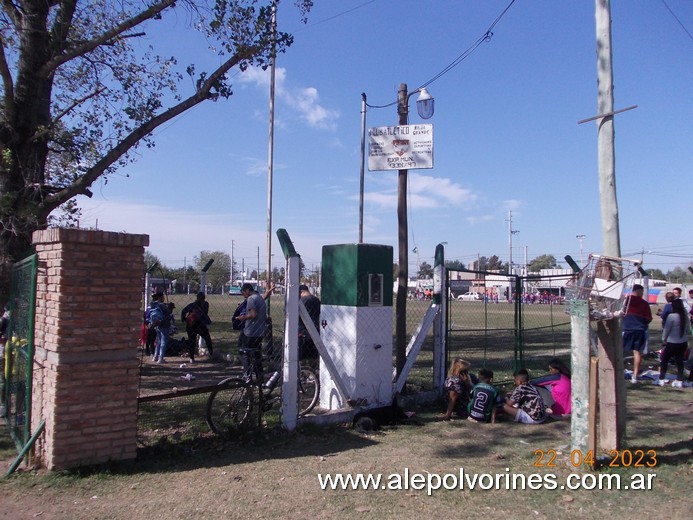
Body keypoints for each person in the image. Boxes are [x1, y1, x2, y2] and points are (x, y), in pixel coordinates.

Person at [622, 284, 652, 384]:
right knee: (637, 353)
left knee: (620, 351)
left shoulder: (625, 300)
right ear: (638, 291)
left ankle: (620, 371)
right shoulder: (644, 303)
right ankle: (635, 376)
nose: (643, 294)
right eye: (642, 291)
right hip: (639, 330)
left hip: (626, 329)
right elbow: (648, 318)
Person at [237, 282, 268, 382]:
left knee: (244, 353)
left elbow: (253, 314)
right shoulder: (259, 298)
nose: (243, 295)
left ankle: (247, 377)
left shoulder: (251, 299)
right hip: (259, 332)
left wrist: (243, 317)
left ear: (247, 290)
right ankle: (260, 378)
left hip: (250, 332)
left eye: (243, 293)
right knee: (257, 355)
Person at [657, 298, 690, 387]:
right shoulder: (685, 316)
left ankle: (661, 379)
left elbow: (666, 330)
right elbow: (687, 330)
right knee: (679, 361)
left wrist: (663, 340)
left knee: (664, 360)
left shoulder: (672, 316)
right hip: (683, 342)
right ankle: (679, 380)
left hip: (671, 342)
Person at [181, 292, 213, 363]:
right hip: (201, 325)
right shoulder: (206, 304)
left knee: (192, 341)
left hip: (191, 325)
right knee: (208, 339)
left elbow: (184, 310)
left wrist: (184, 319)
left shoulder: (192, 305)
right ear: (204, 298)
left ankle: (191, 358)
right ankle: (211, 354)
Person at [298, 284, 321, 364]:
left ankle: (303, 368)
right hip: (315, 328)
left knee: (302, 355)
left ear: (301, 292)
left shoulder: (302, 301)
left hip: (303, 330)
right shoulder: (317, 300)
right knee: (313, 354)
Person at [149, 291, 172, 364]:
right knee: (163, 342)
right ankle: (161, 358)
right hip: (164, 324)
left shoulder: (154, 305)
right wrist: (170, 307)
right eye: (163, 297)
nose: (164, 298)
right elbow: (168, 312)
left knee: (158, 341)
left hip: (157, 325)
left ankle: (155, 356)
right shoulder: (162, 305)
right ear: (160, 297)